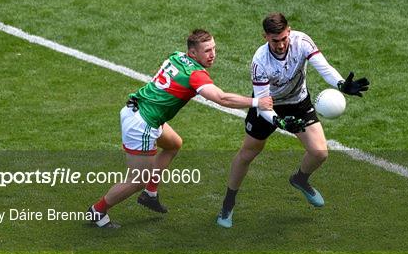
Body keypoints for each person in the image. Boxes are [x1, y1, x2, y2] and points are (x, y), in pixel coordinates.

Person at [87, 29, 273, 228]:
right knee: (138, 179)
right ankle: (97, 211)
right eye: (207, 51)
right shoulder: (195, 75)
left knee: (173, 144)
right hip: (142, 124)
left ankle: (150, 193)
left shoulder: (177, 56)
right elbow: (222, 98)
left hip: (137, 109)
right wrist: (256, 102)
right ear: (193, 53)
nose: (213, 55)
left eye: (214, 49)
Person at [216, 13, 369, 228]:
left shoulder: (302, 41)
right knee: (248, 153)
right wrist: (280, 122)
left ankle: (300, 179)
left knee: (320, 153)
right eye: (274, 40)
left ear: (289, 31)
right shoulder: (260, 61)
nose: (280, 45)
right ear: (265, 37)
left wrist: (341, 84)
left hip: (298, 102)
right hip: (267, 106)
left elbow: (323, 67)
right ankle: (228, 203)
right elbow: (261, 103)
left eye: (283, 38)